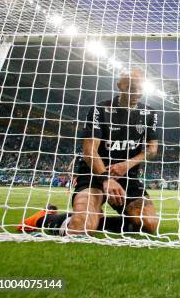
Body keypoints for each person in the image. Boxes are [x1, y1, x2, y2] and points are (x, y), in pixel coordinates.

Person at [67, 68, 159, 235]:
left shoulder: (149, 113)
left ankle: (99, 221)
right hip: (94, 176)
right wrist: (106, 178)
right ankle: (47, 218)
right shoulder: (99, 110)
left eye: (140, 88)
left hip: (127, 178)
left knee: (148, 225)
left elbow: (152, 150)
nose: (137, 93)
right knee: (81, 227)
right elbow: (89, 151)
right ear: (119, 86)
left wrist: (127, 165)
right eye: (131, 88)